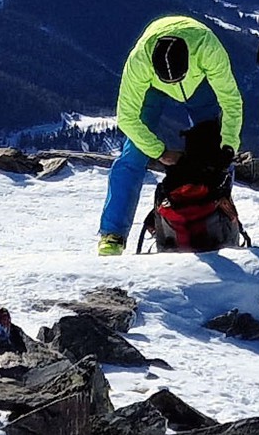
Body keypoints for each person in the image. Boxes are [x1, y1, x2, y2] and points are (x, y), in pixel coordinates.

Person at [96, 13, 243, 255]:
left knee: (216, 157)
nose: (175, 84)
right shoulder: (139, 61)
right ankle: (112, 235)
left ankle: (218, 218)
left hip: (199, 84)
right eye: (170, 80)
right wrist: (160, 152)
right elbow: (127, 118)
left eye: (178, 78)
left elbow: (231, 102)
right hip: (153, 89)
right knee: (132, 157)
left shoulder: (208, 48)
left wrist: (228, 146)